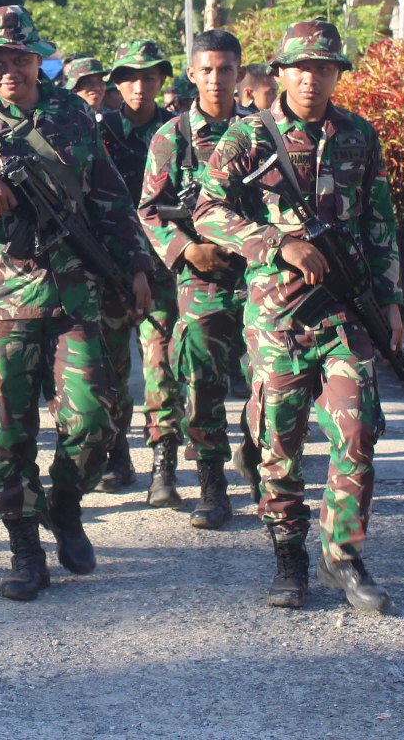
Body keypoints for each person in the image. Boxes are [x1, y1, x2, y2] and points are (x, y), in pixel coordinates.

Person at [0, 6, 153, 601]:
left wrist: (138, 265)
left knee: (97, 419)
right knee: (7, 433)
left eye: (19, 59)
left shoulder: (71, 114)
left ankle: (65, 503)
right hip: (2, 302)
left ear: (35, 60)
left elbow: (109, 197)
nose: (8, 72)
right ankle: (24, 547)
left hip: (75, 291)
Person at [194, 20, 404, 613]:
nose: (312, 78)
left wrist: (390, 302)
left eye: (325, 68)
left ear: (338, 74)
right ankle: (289, 559)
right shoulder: (248, 136)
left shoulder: (359, 135)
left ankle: (343, 553)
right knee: (279, 446)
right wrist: (273, 243)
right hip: (277, 316)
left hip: (346, 312)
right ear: (281, 72)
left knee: (357, 431)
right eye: (301, 67)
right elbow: (206, 211)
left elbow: (380, 222)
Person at [136, 29, 258, 524]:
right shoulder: (173, 137)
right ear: (192, 74)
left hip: (258, 273)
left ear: (239, 75)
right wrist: (190, 249)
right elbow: (148, 210)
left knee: (266, 377)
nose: (215, 79)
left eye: (225, 69)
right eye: (206, 70)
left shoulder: (259, 130)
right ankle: (212, 482)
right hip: (200, 278)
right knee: (201, 379)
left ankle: (256, 453)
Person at [92, 41, 182, 494]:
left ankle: (163, 462)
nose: (139, 86)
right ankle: (116, 452)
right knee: (109, 368)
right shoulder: (97, 131)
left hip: (162, 268)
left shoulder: (177, 132)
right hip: (109, 268)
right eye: (129, 76)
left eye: (148, 77)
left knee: (161, 365)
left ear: (162, 80)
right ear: (116, 82)